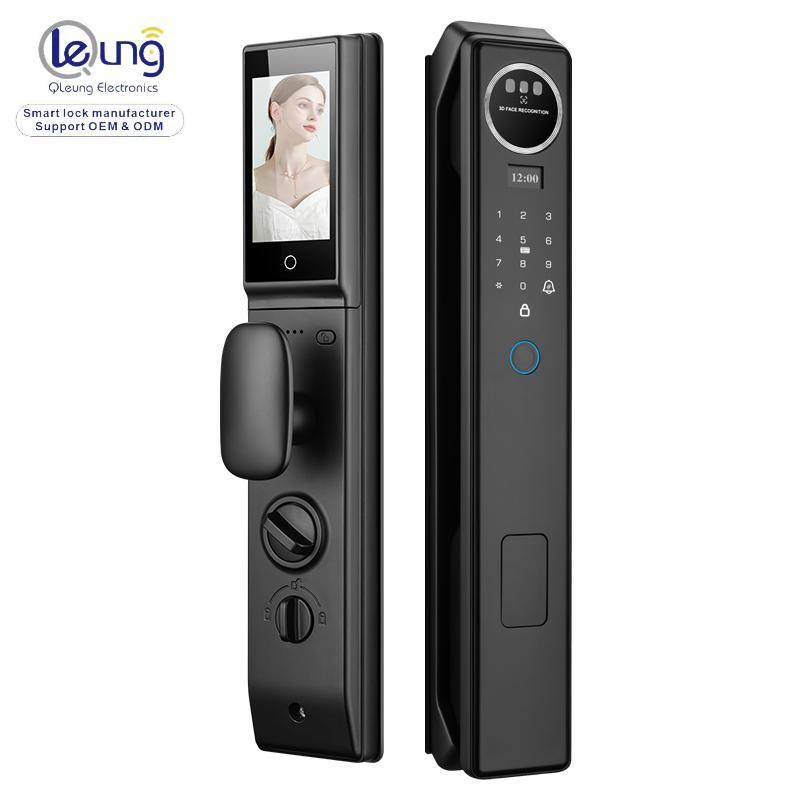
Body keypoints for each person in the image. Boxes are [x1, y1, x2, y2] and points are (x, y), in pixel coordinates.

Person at [253, 74, 330, 241]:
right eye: (303, 105)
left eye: (320, 109)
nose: (314, 116)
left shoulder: (335, 174)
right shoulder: (251, 182)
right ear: (276, 111)